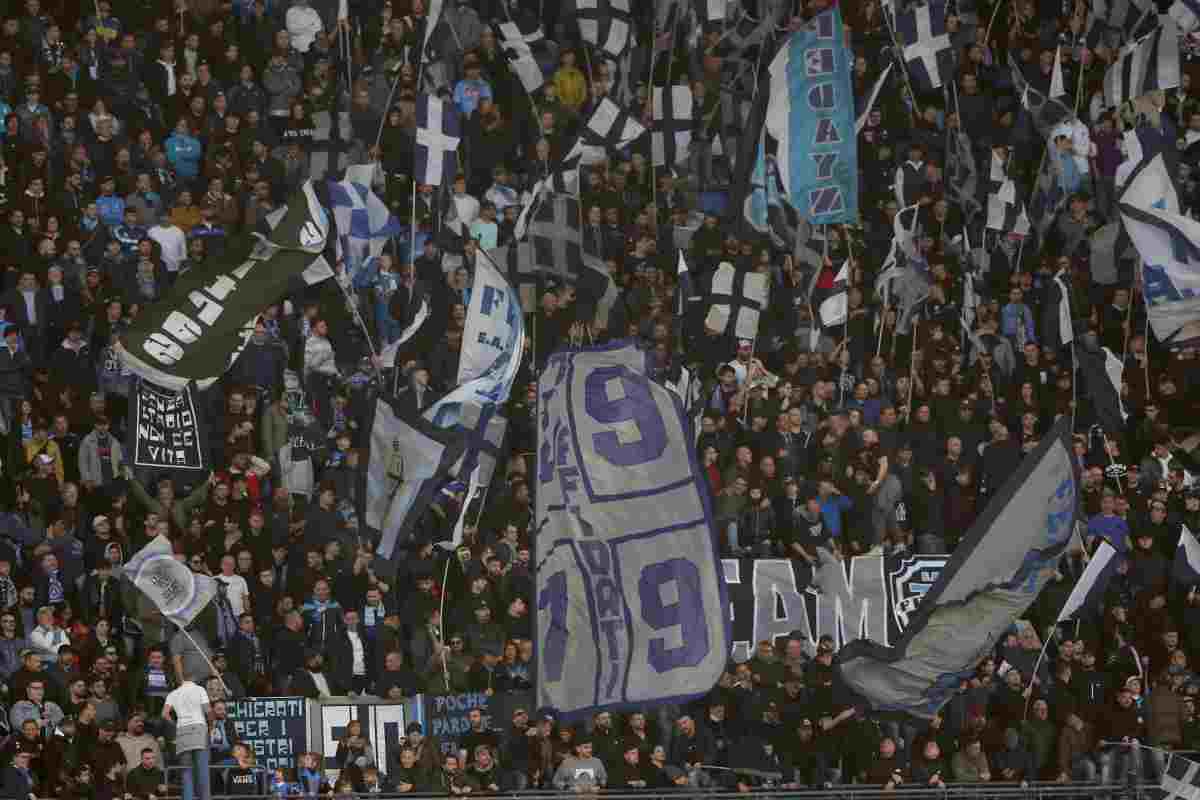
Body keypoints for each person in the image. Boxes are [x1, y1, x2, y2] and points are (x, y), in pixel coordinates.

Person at [163, 676, 213, 800]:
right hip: (199, 729)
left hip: (182, 731)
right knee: (202, 771)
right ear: (193, 679)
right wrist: (211, 726)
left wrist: (175, 725)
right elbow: (208, 711)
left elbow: (164, 714)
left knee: (186, 771)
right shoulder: (200, 689)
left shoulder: (173, 693)